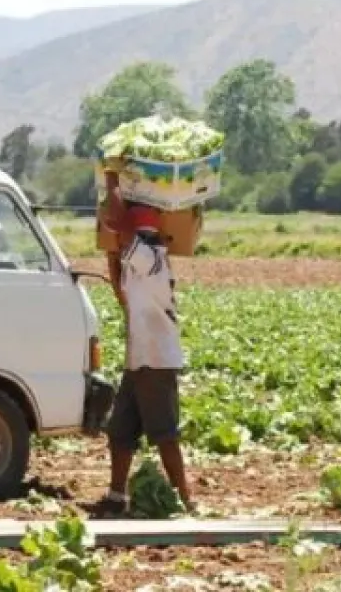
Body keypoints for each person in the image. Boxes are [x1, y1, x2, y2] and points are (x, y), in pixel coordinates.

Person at [90, 176, 194, 517]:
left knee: (164, 432)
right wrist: (109, 250)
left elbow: (118, 222)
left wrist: (111, 179)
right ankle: (117, 496)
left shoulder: (150, 258)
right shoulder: (140, 264)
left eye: (123, 238)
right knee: (120, 430)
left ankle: (185, 498)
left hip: (157, 361)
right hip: (141, 359)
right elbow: (123, 297)